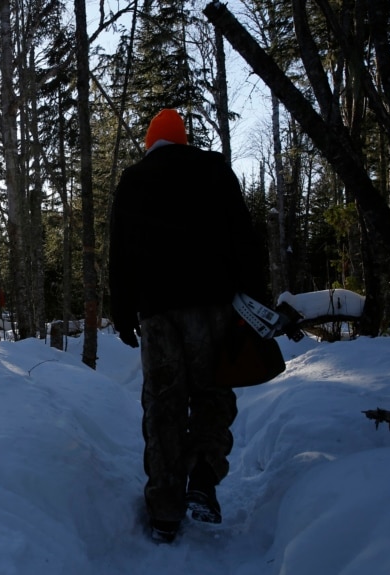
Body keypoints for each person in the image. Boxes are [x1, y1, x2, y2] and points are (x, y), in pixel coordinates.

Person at [108, 109, 266, 543]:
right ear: (182, 139)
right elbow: (245, 239)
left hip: (157, 315)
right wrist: (255, 298)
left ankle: (164, 512)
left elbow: (119, 254)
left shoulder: (134, 180)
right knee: (213, 395)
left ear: (150, 142)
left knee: (164, 408)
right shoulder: (215, 170)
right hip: (212, 308)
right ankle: (203, 474)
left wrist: (122, 312)